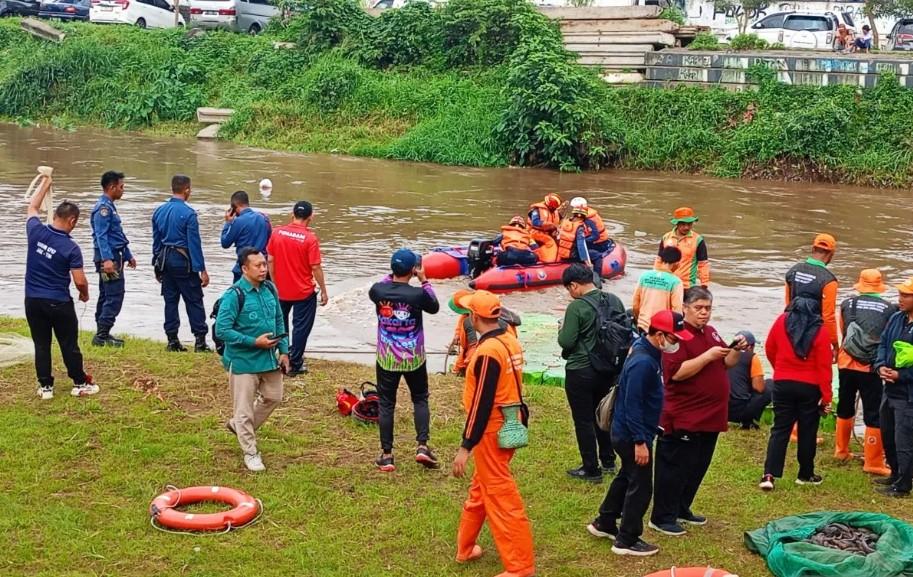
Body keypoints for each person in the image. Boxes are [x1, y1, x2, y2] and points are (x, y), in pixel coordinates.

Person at [587, 310, 693, 557]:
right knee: (641, 487)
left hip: (630, 430)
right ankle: (627, 539)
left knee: (627, 476)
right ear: (659, 335)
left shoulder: (645, 349)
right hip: (631, 434)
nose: (676, 343)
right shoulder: (644, 362)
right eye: (674, 338)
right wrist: (640, 441)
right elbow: (632, 403)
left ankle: (604, 521)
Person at [649, 286, 746, 537]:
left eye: (708, 308)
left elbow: (726, 363)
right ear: (685, 308)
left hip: (711, 416)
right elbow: (676, 373)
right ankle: (662, 516)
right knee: (674, 467)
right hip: (684, 415)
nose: (704, 313)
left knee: (697, 466)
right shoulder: (676, 337)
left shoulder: (711, 333)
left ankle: (682, 508)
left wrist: (736, 349)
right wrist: (706, 357)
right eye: (698, 308)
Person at [452, 289, 535, 577]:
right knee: (481, 488)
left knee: (502, 499)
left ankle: (520, 567)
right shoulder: (510, 340)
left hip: (491, 432)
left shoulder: (488, 352)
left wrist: (466, 446)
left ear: (475, 317)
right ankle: (465, 548)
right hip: (508, 424)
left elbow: (481, 404)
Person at [24, 173, 99, 400]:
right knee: (68, 344)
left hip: (33, 300)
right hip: (58, 302)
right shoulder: (71, 248)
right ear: (72, 221)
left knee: (41, 344)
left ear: (54, 215)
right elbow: (79, 280)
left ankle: (45, 387)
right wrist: (84, 294)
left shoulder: (35, 231)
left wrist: (45, 183)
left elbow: (32, 207)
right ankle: (78, 382)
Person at [215, 248, 289, 472]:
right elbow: (222, 330)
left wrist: (284, 351)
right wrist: (252, 342)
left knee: (274, 397)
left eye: (264, 264)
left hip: (269, 358)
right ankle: (250, 451)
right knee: (244, 409)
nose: (263, 268)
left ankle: (238, 426)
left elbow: (279, 319)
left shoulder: (270, 288)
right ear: (244, 269)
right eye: (258, 265)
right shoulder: (234, 295)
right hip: (243, 360)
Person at [368, 249, 440, 472]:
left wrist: (395, 275)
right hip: (413, 358)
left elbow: (384, 283)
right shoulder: (418, 295)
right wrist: (424, 279)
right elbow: (434, 306)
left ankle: (387, 455)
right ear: (413, 270)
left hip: (387, 358)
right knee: (420, 399)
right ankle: (421, 446)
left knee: (387, 404)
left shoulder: (378, 291)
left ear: (391, 269)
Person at [558, 263, 626, 482]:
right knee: (603, 414)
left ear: (574, 285)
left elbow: (566, 341)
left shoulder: (576, 308)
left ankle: (590, 468)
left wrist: (561, 330)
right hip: (608, 368)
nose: (570, 294)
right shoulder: (614, 300)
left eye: (569, 289)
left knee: (584, 420)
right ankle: (608, 460)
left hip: (581, 369)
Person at [758, 298, 833, 491]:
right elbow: (824, 367)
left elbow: (769, 348)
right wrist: (826, 397)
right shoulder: (820, 330)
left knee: (780, 429)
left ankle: (768, 475)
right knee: (807, 431)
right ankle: (805, 474)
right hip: (810, 387)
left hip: (783, 383)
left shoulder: (781, 321)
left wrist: (780, 370)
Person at [835, 269, 896, 476]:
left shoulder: (847, 304)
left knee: (844, 406)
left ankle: (841, 451)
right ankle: (873, 462)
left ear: (860, 284)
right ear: (880, 286)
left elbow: (844, 333)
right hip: (871, 367)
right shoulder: (890, 309)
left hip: (845, 363)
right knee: (873, 412)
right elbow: (889, 338)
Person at [267, 201, 328, 377]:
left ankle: (281, 357)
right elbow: (315, 267)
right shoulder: (310, 239)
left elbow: (270, 259)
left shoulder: (277, 232)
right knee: (301, 327)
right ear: (311, 216)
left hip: (281, 290)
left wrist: (275, 282)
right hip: (303, 291)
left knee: (280, 324)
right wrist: (323, 290)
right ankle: (295, 363)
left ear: (292, 214)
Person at [151, 175, 211, 353]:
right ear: (186, 190)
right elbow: (194, 243)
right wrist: (202, 270)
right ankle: (200, 341)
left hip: (165, 260)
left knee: (170, 300)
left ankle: (172, 340)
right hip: (183, 261)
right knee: (194, 299)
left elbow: (156, 242)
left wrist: (156, 264)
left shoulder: (159, 211)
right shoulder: (189, 214)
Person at [873, 277, 913, 498]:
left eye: (906, 295)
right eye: (900, 294)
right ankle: (895, 473)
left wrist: (902, 375)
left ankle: (904, 484)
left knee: (904, 439)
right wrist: (880, 367)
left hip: (908, 395)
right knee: (887, 433)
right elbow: (883, 344)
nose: (900, 299)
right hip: (889, 389)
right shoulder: (896, 318)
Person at [90, 170, 136, 347]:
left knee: (106, 294)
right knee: (114, 295)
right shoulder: (103, 209)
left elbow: (116, 235)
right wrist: (107, 260)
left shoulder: (109, 206)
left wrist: (128, 255)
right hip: (108, 260)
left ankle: (103, 332)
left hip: (116, 256)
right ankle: (101, 335)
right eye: (121, 187)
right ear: (112, 187)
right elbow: (101, 236)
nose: (123, 190)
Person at [785, 233, 839, 352]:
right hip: (814, 331)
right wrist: (834, 343)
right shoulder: (829, 280)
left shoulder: (793, 270)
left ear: (813, 249)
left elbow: (788, 304)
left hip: (791, 326)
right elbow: (828, 316)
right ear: (831, 254)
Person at [448, 289, 519, 378]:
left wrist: (462, 369)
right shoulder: (501, 318)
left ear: (475, 317)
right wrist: (457, 335)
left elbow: (473, 350)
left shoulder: (475, 327)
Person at [221, 190, 271, 283]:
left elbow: (225, 243)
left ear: (234, 207)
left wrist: (228, 223)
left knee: (241, 295)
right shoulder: (265, 218)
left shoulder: (238, 222)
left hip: (245, 269)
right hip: (262, 268)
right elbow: (270, 242)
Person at [632, 245, 683, 334]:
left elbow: (635, 304)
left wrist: (638, 320)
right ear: (677, 263)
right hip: (662, 329)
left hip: (643, 325)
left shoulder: (644, 276)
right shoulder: (675, 282)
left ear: (661, 260)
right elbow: (677, 310)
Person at [655, 207, 709, 289]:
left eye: (689, 224)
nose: (686, 227)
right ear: (676, 223)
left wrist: (704, 284)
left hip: (686, 286)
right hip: (666, 284)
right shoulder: (666, 237)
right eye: (683, 224)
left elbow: (703, 264)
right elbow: (659, 260)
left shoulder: (698, 240)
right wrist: (656, 279)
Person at [727, 330, 771, 430]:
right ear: (750, 346)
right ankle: (750, 421)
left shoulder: (724, 355)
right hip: (740, 411)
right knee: (770, 384)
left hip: (723, 410)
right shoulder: (752, 357)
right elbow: (758, 388)